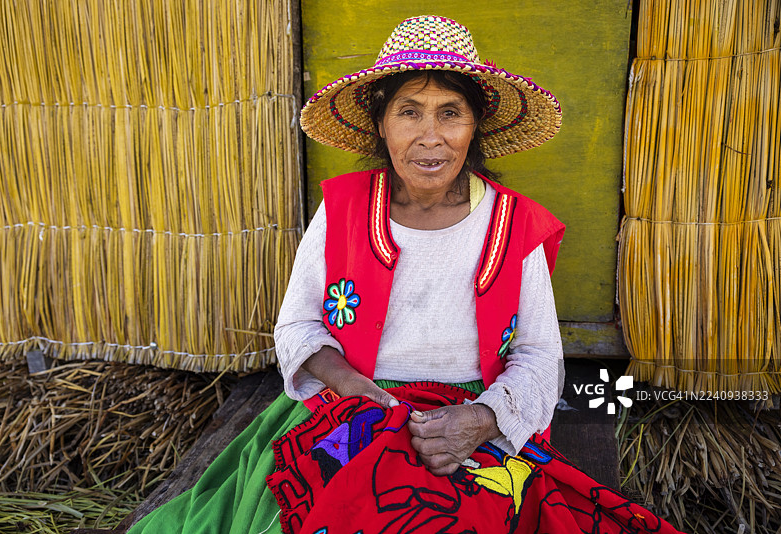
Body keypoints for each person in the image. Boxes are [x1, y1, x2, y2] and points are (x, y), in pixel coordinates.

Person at [129, 15, 685, 534]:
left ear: (475, 127)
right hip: (351, 406)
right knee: (330, 504)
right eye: (409, 111)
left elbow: (540, 356)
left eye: (450, 112)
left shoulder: (515, 224)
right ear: (380, 122)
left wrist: (484, 418)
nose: (430, 135)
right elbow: (297, 328)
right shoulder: (343, 210)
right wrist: (354, 390)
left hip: (467, 414)